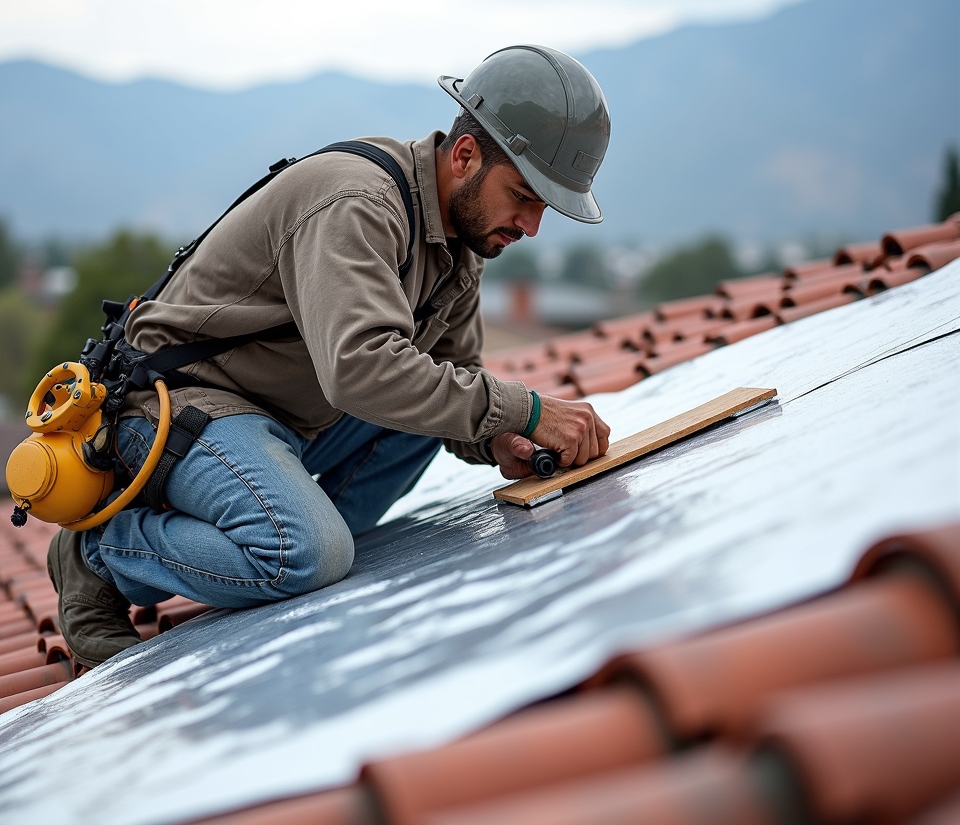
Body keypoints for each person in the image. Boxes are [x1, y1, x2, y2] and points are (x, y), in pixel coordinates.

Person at [47, 44, 613, 669]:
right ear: (465, 155)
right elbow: (362, 371)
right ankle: (99, 554)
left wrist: (499, 436)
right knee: (306, 555)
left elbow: (458, 381)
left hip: (282, 421)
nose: (531, 226)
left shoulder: (460, 246)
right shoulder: (359, 205)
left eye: (543, 209)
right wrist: (527, 410)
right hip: (176, 412)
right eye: (525, 196)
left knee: (442, 408)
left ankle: (276, 544)